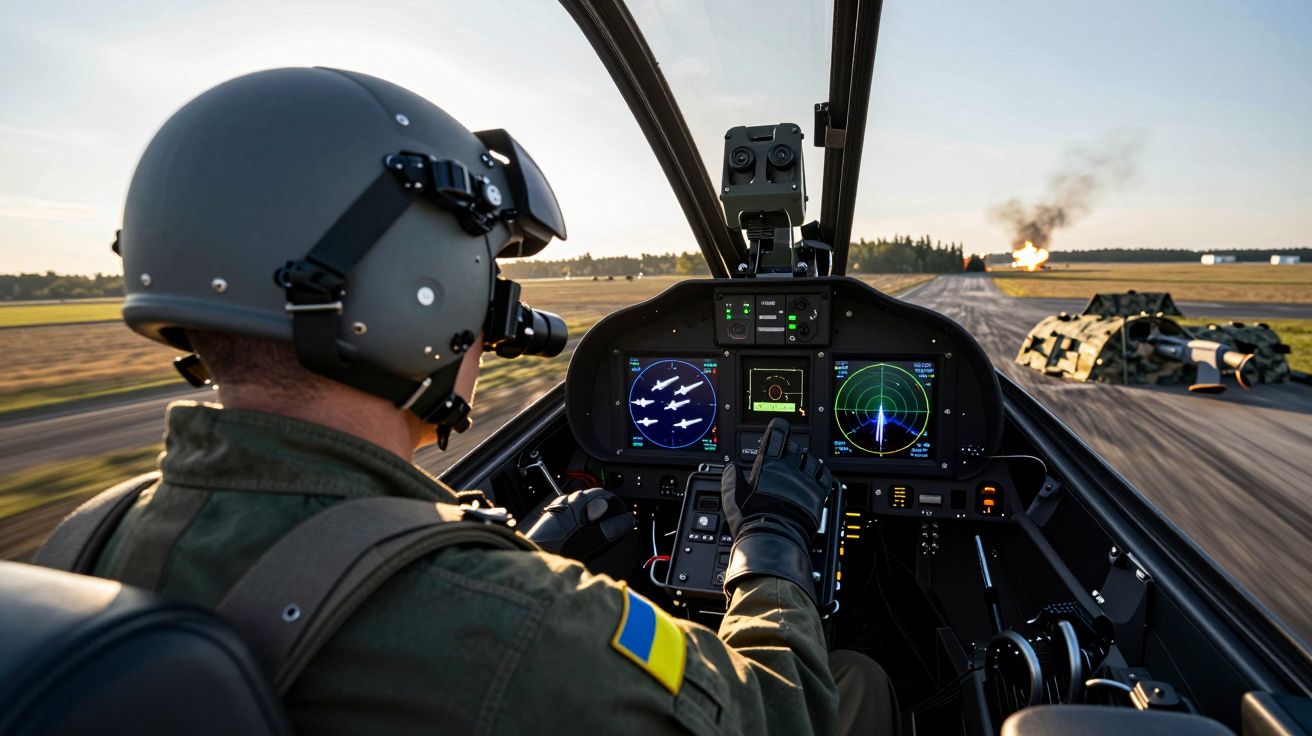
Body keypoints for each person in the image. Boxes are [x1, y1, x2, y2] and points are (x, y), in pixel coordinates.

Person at [91, 67, 895, 734]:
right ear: (418, 289)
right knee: (855, 679)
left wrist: (527, 552)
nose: (493, 317)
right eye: (485, 272)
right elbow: (777, 713)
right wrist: (775, 545)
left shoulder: (89, 537)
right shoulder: (526, 625)